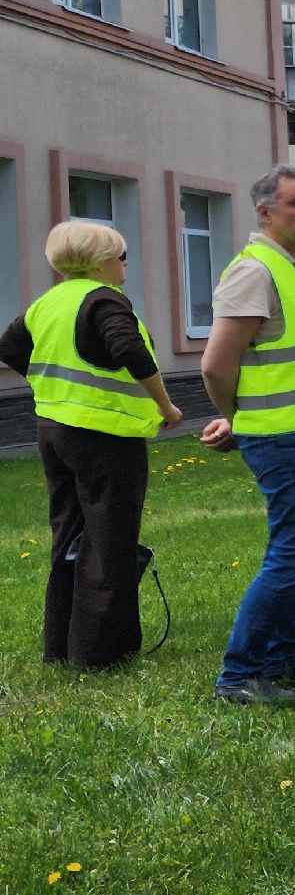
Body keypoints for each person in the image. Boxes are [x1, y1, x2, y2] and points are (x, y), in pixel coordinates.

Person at [1, 222, 183, 670]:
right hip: (106, 436)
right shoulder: (103, 299)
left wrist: (53, 388)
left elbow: (10, 348)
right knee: (109, 539)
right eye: (122, 256)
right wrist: (165, 405)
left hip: (54, 430)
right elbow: (131, 350)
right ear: (102, 262)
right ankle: (99, 654)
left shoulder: (48, 302)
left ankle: (60, 646)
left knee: (68, 534)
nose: (125, 265)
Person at [199, 165, 295, 705]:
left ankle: (281, 658)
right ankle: (238, 675)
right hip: (283, 436)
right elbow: (216, 365)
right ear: (265, 212)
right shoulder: (254, 271)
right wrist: (240, 418)